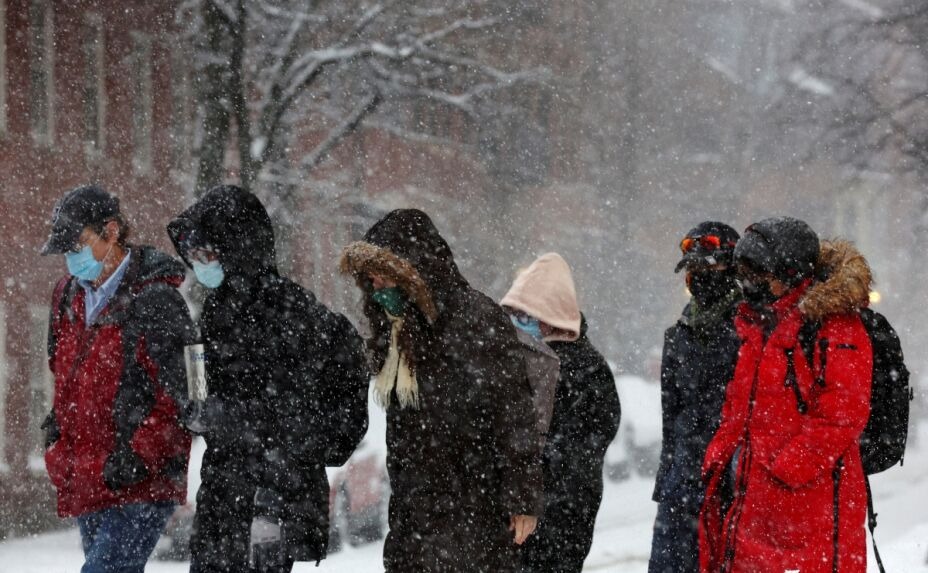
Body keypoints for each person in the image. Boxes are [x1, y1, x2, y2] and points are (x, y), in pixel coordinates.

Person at [167, 185, 370, 573]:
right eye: (194, 257)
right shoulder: (216, 310)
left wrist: (235, 419)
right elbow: (202, 389)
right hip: (223, 492)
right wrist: (195, 405)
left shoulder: (289, 311)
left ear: (238, 248)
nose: (200, 265)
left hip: (272, 498)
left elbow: (289, 413)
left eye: (207, 254)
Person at [339, 209, 542, 573]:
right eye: (372, 281)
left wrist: (522, 497)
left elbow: (514, 412)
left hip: (476, 511)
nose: (379, 290)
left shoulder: (474, 318)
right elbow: (404, 444)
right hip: (417, 521)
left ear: (413, 273)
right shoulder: (399, 332)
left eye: (385, 279)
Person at [699, 217, 874, 573]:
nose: (749, 283)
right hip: (755, 495)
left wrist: (785, 469)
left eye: (759, 273)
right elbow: (739, 406)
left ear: (789, 272)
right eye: (745, 272)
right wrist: (722, 456)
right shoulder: (757, 324)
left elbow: (842, 414)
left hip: (808, 501)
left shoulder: (831, 324)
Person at [40, 184, 194, 573]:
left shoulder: (157, 302)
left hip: (140, 482)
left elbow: (183, 397)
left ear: (111, 232)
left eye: (78, 244)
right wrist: (57, 425)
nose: (71, 259)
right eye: (65, 251)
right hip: (90, 477)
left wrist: (138, 455)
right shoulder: (66, 297)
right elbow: (65, 374)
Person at [498, 252, 620, 573]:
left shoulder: (586, 369)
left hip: (560, 516)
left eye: (526, 315)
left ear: (550, 317)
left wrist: (540, 496)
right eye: (513, 313)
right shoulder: (516, 357)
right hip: (520, 512)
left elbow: (586, 445)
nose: (516, 322)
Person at [648, 222, 742, 573]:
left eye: (708, 266)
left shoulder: (754, 330)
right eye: (692, 269)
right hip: (683, 479)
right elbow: (671, 417)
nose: (699, 276)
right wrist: (666, 477)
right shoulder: (678, 335)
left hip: (731, 478)